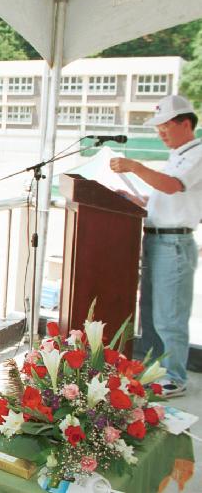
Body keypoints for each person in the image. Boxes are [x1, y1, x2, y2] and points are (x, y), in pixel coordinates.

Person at [109, 94, 201, 398]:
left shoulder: (197, 153)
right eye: (157, 128)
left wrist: (135, 166)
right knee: (149, 311)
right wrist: (137, 199)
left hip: (174, 243)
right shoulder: (177, 154)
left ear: (185, 123)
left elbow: (172, 185)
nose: (160, 133)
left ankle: (174, 376)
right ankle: (154, 370)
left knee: (169, 315)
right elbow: (164, 197)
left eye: (165, 127)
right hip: (157, 238)